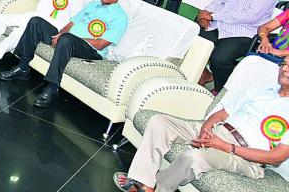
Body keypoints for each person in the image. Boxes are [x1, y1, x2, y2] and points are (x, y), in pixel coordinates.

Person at [116, 60, 289, 192]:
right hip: (218, 131)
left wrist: (224, 146)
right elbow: (221, 114)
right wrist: (206, 130)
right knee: (159, 122)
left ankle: (160, 188)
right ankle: (144, 183)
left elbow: (276, 157)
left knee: (194, 158)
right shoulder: (261, 90)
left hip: (245, 157)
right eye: (284, 63)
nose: (285, 68)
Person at [0, 0, 129, 108]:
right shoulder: (92, 5)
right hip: (67, 39)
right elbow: (70, 24)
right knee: (36, 21)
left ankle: (52, 87)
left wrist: (66, 37)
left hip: (91, 49)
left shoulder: (120, 16)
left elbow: (101, 44)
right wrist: (59, 35)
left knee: (67, 39)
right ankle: (23, 66)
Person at [197, 0, 275, 89]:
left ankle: (223, 91)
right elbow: (217, 2)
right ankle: (206, 74)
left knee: (219, 59)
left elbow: (249, 17)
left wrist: (213, 16)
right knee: (194, 38)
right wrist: (204, 14)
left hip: (243, 33)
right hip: (220, 25)